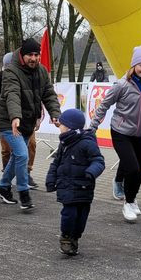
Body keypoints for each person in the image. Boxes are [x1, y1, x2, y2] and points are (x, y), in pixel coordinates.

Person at [91, 45, 141, 222]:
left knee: (138, 169)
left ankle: (132, 200)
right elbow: (104, 105)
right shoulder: (121, 85)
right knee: (131, 167)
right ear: (134, 66)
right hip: (121, 131)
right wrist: (93, 126)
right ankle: (128, 202)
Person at [0, 38, 62, 211]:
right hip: (9, 122)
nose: (33, 58)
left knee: (17, 156)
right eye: (30, 55)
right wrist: (15, 117)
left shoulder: (42, 71)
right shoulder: (11, 72)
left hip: (27, 123)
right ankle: (24, 193)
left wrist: (55, 114)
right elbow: (12, 94)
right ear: (22, 55)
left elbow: (49, 94)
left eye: (36, 55)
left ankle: (3, 187)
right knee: (22, 156)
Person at [45, 108, 105, 255]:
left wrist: (92, 171)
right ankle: (66, 237)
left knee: (82, 216)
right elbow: (56, 163)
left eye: (61, 125)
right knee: (69, 214)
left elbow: (99, 160)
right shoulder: (64, 143)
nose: (59, 127)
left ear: (70, 127)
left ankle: (75, 238)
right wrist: (50, 180)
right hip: (67, 187)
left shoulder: (87, 143)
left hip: (84, 186)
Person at [0, 52, 39, 188]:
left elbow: (35, 96)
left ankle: (26, 173)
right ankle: (7, 176)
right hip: (5, 119)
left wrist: (38, 116)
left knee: (31, 145)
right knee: (7, 149)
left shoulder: (26, 75)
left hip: (26, 119)